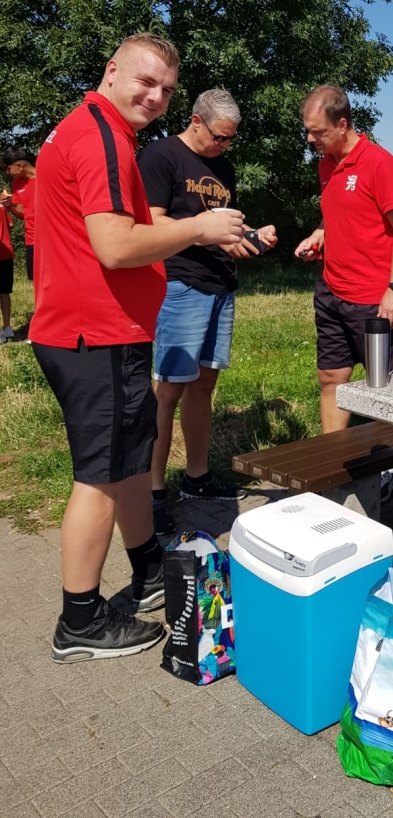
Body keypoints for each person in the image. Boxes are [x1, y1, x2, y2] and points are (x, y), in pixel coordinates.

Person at [29, 34, 245, 663]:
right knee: (99, 478)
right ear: (112, 70)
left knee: (126, 462)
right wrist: (199, 227)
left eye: (166, 89)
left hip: (103, 331)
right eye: (145, 81)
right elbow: (116, 245)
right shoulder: (99, 135)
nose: (154, 96)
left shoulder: (102, 131)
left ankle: (148, 565)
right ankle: (80, 620)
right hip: (91, 333)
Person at [138, 89, 278, 535]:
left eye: (231, 139)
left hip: (221, 286)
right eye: (219, 137)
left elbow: (222, 223)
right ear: (196, 121)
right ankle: (152, 492)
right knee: (169, 390)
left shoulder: (222, 167)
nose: (224, 145)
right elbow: (150, 222)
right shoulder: (161, 156)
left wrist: (251, 235)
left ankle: (196, 478)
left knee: (204, 385)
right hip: (180, 285)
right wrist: (206, 234)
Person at [294, 85, 393, 497]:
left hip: (374, 300)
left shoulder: (380, 163)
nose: (310, 139)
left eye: (317, 131)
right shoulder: (326, 166)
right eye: (308, 131)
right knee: (331, 378)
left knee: (385, 386)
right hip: (331, 292)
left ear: (342, 124)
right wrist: (319, 236)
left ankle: (390, 465)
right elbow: (339, 217)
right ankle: (331, 463)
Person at [2, 146, 37, 290]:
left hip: (51, 237)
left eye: (8, 169)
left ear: (19, 165)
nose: (7, 173)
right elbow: (22, 213)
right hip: (31, 238)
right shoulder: (16, 184)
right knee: (35, 280)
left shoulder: (45, 176)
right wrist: (10, 205)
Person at [0, 193, 14, 341]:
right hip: (6, 253)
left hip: (4, 252)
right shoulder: (2, 205)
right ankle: (7, 327)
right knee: (4, 292)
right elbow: (10, 224)